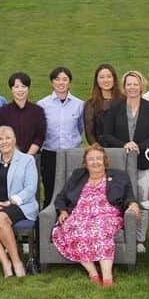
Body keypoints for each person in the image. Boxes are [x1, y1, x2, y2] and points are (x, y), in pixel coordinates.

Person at [51, 144, 140, 287]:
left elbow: (129, 195)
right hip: (79, 215)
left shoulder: (119, 176)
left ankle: (107, 277)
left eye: (98, 158)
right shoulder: (78, 175)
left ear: (104, 160)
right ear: (85, 163)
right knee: (72, 229)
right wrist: (62, 211)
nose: (95, 162)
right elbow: (61, 196)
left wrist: (133, 204)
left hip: (106, 214)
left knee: (101, 230)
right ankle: (93, 273)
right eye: (91, 159)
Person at [100, 70, 149, 251]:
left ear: (141, 86)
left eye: (136, 84)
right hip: (121, 163)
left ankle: (139, 239)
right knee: (121, 200)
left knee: (142, 199)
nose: (132, 87)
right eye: (129, 84)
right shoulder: (115, 107)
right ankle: (121, 236)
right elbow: (106, 135)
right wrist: (124, 145)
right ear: (124, 87)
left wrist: (138, 146)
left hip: (143, 162)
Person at [0, 126, 39, 278]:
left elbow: (31, 188)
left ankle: (17, 262)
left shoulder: (27, 160)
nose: (4, 142)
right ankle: (5, 263)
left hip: (21, 205)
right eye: (0, 139)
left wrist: (9, 202)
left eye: (7, 138)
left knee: (0, 217)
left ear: (14, 140)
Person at [38, 66, 84, 204]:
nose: (61, 82)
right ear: (52, 82)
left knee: (73, 191)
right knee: (50, 191)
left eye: (65, 79)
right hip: (50, 154)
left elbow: (80, 128)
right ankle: (48, 223)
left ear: (69, 83)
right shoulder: (42, 104)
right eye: (57, 79)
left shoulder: (79, 104)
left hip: (72, 154)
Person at [0, 72, 46, 155]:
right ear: (11, 89)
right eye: (16, 87)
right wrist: (16, 156)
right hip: (10, 156)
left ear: (28, 88)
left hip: (32, 157)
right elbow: (0, 134)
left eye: (23, 86)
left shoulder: (38, 111)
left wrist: (27, 157)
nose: (20, 90)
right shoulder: (3, 111)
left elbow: (40, 137)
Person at [83, 63, 120, 146]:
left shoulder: (124, 100)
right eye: (102, 77)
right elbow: (90, 133)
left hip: (123, 149)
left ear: (114, 79)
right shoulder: (90, 104)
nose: (106, 80)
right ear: (97, 80)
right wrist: (98, 150)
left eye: (109, 77)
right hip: (100, 151)